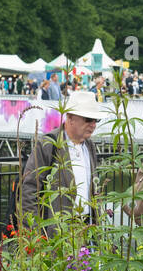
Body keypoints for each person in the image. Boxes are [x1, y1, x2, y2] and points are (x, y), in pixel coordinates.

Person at [19, 90, 104, 236]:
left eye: (96, 120)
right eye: (88, 119)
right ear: (70, 118)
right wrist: (36, 234)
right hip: (57, 231)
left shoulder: (89, 146)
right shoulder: (49, 143)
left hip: (86, 227)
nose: (93, 125)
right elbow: (30, 189)